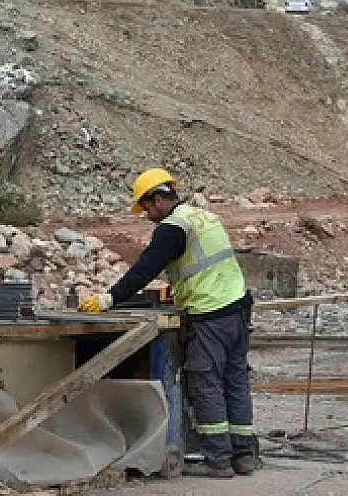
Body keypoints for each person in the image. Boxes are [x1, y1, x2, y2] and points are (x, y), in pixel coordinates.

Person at [81, 168, 258, 479]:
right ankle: (244, 456)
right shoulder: (203, 216)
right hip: (237, 308)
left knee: (205, 382)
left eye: (147, 207)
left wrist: (109, 299)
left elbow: (146, 268)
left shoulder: (172, 227)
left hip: (210, 313)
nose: (148, 214)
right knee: (235, 381)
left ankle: (218, 460)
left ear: (160, 198)